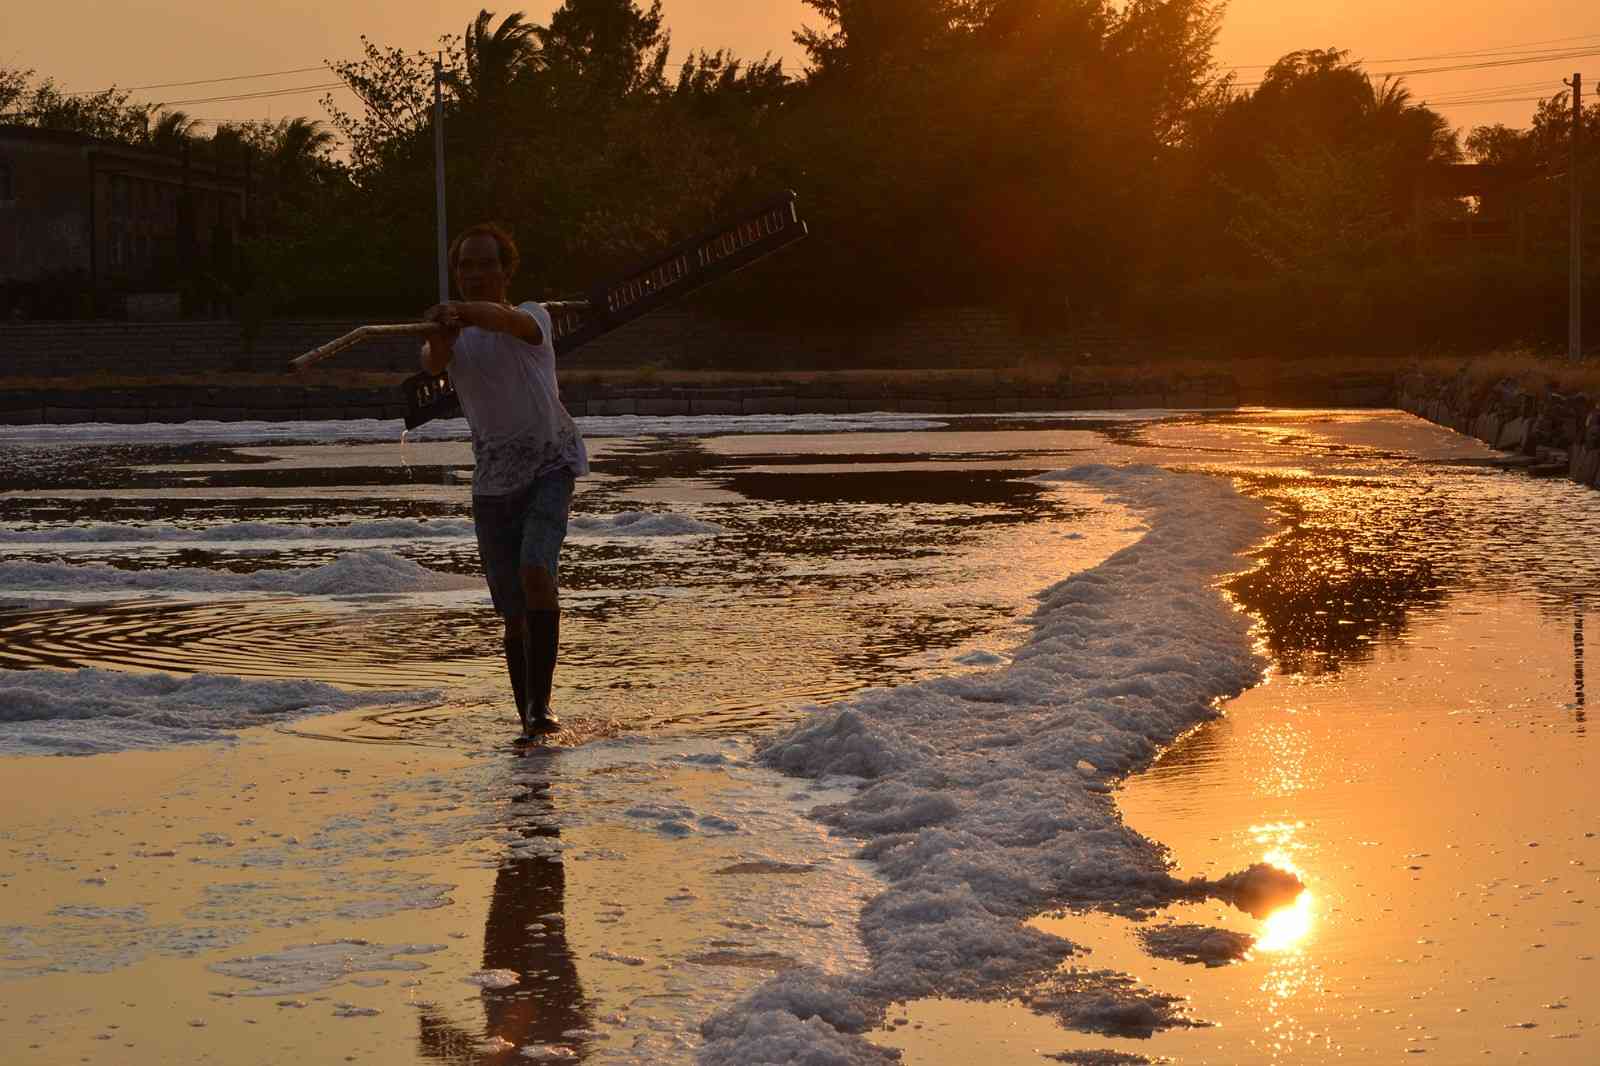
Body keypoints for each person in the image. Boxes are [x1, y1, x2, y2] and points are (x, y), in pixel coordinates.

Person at [422, 223, 588, 739]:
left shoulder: (531, 317)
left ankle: (542, 708)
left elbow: (503, 320)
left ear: (505, 269)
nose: (475, 275)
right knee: (512, 612)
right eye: (465, 267)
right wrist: (442, 333)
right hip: (493, 479)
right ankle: (528, 718)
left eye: (485, 264)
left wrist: (462, 312)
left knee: (537, 570)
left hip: (549, 463)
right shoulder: (453, 334)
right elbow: (431, 364)